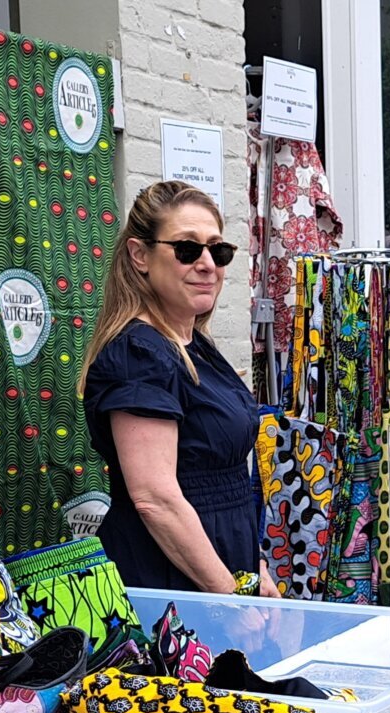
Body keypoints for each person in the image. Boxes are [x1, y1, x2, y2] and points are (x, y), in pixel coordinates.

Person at [80, 180, 277, 596]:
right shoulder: (139, 356)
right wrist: (229, 595)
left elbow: (225, 483)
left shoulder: (195, 345)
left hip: (221, 570)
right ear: (140, 255)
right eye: (187, 249)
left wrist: (254, 568)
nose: (207, 264)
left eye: (218, 250)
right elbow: (156, 498)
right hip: (171, 583)